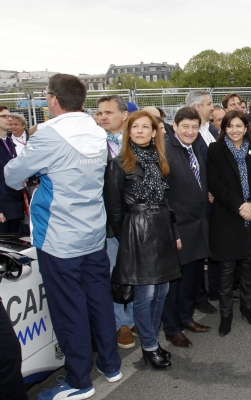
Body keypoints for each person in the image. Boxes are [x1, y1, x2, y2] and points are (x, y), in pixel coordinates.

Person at [5, 74, 122, 398]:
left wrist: (40, 176)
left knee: (68, 309)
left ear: (54, 99)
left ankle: (78, 381)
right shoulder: (97, 132)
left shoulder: (49, 135)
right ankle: (110, 365)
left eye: (46, 97)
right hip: (92, 232)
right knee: (99, 300)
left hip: (59, 238)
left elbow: (13, 176)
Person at [104, 110, 181, 369]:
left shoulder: (161, 160)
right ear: (128, 131)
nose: (139, 131)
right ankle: (149, 345)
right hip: (136, 230)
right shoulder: (118, 164)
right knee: (145, 293)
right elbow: (114, 209)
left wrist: (174, 232)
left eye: (145, 127)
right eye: (134, 127)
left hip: (162, 228)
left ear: (154, 132)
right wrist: (127, 236)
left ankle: (152, 341)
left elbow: (168, 200)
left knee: (163, 290)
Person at [207, 110, 251, 336]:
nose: (234, 130)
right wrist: (239, 207)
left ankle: (248, 308)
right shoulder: (215, 150)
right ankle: (226, 315)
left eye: (239, 126)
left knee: (247, 266)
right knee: (226, 270)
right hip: (227, 218)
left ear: (246, 128)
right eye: (230, 126)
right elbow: (214, 183)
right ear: (224, 128)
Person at [161, 107, 212, 348]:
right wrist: (173, 230)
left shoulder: (195, 148)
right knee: (174, 283)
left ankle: (186, 317)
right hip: (178, 228)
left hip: (197, 226)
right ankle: (171, 328)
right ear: (175, 126)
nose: (190, 131)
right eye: (185, 127)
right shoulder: (165, 151)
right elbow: (164, 197)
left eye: (195, 127)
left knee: (191, 278)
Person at [96, 94, 138, 349]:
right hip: (108, 222)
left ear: (124, 115)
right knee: (113, 272)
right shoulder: (93, 145)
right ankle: (119, 323)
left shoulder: (137, 141)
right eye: (100, 113)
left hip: (137, 220)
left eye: (108, 112)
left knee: (135, 270)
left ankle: (134, 317)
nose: (103, 117)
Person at [185, 90, 220, 310]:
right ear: (198, 107)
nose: (212, 107)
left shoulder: (210, 130)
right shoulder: (192, 135)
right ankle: (198, 297)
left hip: (211, 199)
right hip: (198, 204)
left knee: (208, 247)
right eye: (209, 103)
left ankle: (211, 292)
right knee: (195, 255)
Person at [0, 106, 24, 234]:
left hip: (14, 204)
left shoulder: (9, 141)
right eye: (4, 116)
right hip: (3, 207)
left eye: (9, 116)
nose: (9, 119)